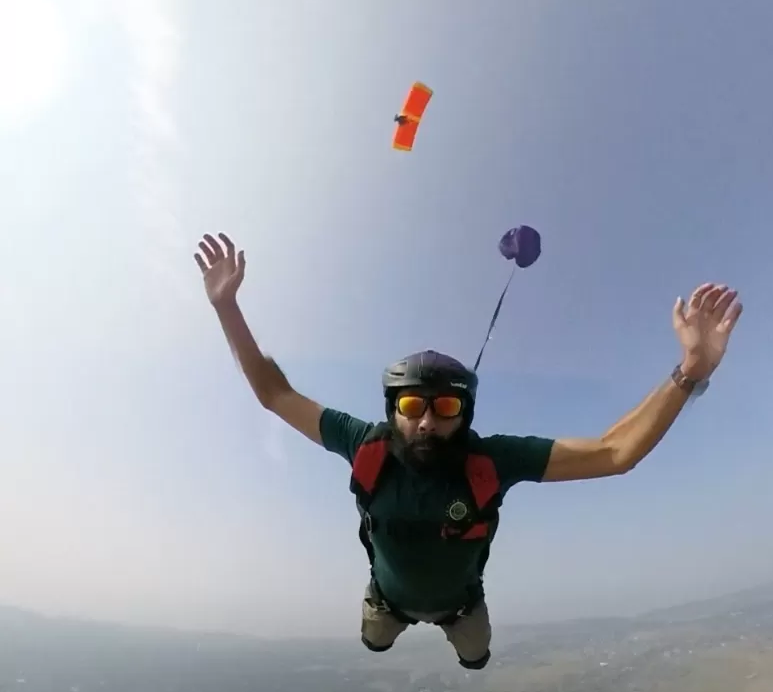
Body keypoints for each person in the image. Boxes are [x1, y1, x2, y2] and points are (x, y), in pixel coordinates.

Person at [194, 232, 742, 668]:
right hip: (389, 601)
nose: (428, 422)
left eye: (446, 409)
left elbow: (613, 452)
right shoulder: (367, 445)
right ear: (392, 411)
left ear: (466, 416)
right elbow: (274, 393)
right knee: (376, 641)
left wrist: (689, 373)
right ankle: (394, 626)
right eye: (412, 407)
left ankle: (457, 643)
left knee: (475, 655)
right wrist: (227, 309)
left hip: (462, 608)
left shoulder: (489, 461)